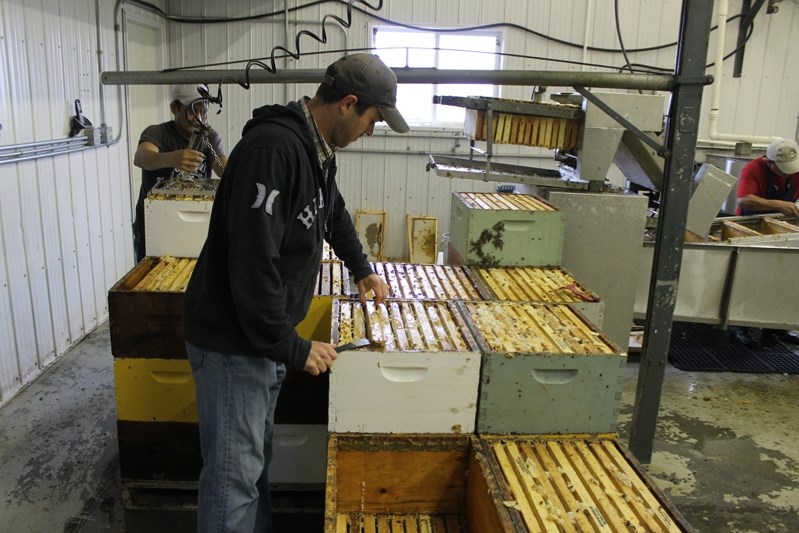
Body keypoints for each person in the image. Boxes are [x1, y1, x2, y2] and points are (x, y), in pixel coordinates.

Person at [182, 54, 407, 532]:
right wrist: (293, 347)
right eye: (373, 119)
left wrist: (361, 268)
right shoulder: (274, 151)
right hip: (232, 343)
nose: (372, 130)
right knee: (232, 481)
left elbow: (334, 212)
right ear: (349, 104)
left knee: (252, 467)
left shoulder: (315, 150)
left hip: (258, 341)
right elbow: (251, 264)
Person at [132, 83, 228, 262]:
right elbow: (141, 157)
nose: (198, 117)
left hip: (191, 230)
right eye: (192, 111)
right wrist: (171, 159)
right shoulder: (158, 132)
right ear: (174, 108)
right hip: (153, 229)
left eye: (203, 110)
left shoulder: (209, 135)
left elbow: (222, 167)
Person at [729, 137, 799, 347]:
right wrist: (778, 204)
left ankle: (776, 326)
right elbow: (744, 200)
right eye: (783, 169)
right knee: (748, 276)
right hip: (751, 225)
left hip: (783, 226)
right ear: (769, 162)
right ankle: (739, 325)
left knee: (782, 276)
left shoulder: (795, 171)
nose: (789, 173)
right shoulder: (753, 169)